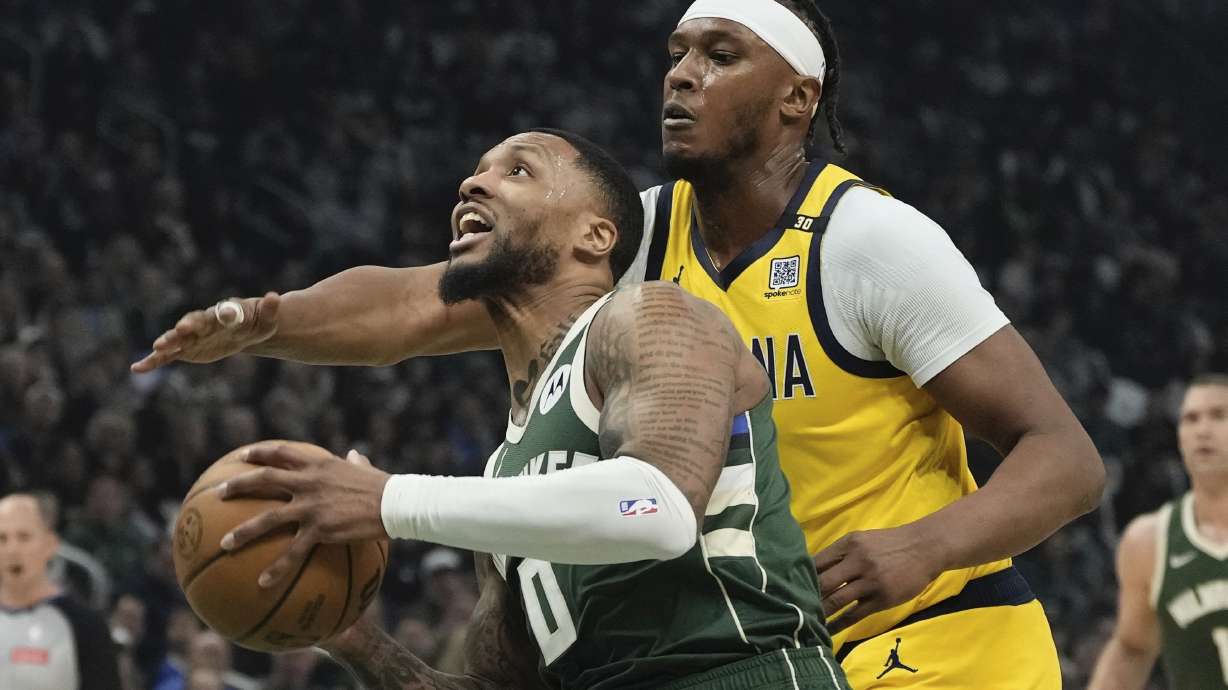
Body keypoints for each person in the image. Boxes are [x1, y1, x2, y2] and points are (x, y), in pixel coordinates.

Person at [133, 1, 1105, 686]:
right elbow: (411, 307)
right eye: (676, 53)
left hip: (937, 637)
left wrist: (927, 544)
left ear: (797, 97)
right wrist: (265, 319)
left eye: (721, 54)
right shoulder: (634, 245)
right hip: (772, 637)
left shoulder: (866, 240)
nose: (682, 73)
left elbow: (1066, 460)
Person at [215, 129, 850, 688]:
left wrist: (390, 500)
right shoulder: (504, 478)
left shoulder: (652, 315)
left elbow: (657, 507)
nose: (473, 182)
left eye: (517, 170)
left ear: (596, 235)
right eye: (478, 169)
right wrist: (349, 631)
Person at [1088, 374, 1228, 690]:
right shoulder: (1150, 541)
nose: (1203, 430)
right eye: (1191, 419)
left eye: (1219, 416)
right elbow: (1132, 650)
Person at [0, 492, 122, 690]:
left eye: (24, 537)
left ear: (49, 545)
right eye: (2, 538)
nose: (12, 550)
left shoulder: (84, 625)